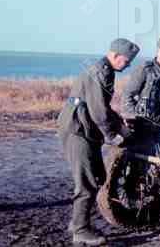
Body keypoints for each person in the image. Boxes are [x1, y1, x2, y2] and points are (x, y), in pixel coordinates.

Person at [57, 38, 140, 246]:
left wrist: (122, 126)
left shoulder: (104, 69)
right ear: (114, 56)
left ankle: (78, 221)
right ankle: (81, 230)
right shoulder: (101, 72)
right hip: (78, 130)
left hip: (83, 128)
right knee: (86, 182)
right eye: (127, 60)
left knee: (96, 175)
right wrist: (114, 137)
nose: (128, 65)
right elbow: (99, 113)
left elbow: (104, 108)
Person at [122, 35, 160, 115]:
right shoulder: (145, 69)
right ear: (159, 51)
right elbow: (127, 95)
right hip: (146, 118)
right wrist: (134, 116)